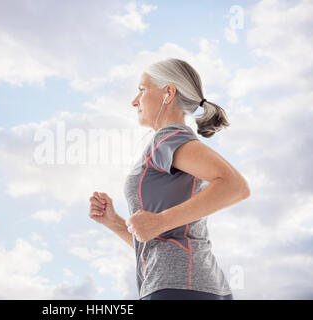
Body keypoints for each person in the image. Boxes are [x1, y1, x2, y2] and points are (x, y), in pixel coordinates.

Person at [88, 58, 250, 300]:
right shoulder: (170, 141)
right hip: (192, 285)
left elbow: (235, 186)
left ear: (168, 93)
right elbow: (159, 243)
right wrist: (114, 222)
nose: (134, 101)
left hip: (178, 288)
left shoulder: (168, 138)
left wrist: (160, 221)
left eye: (142, 90)